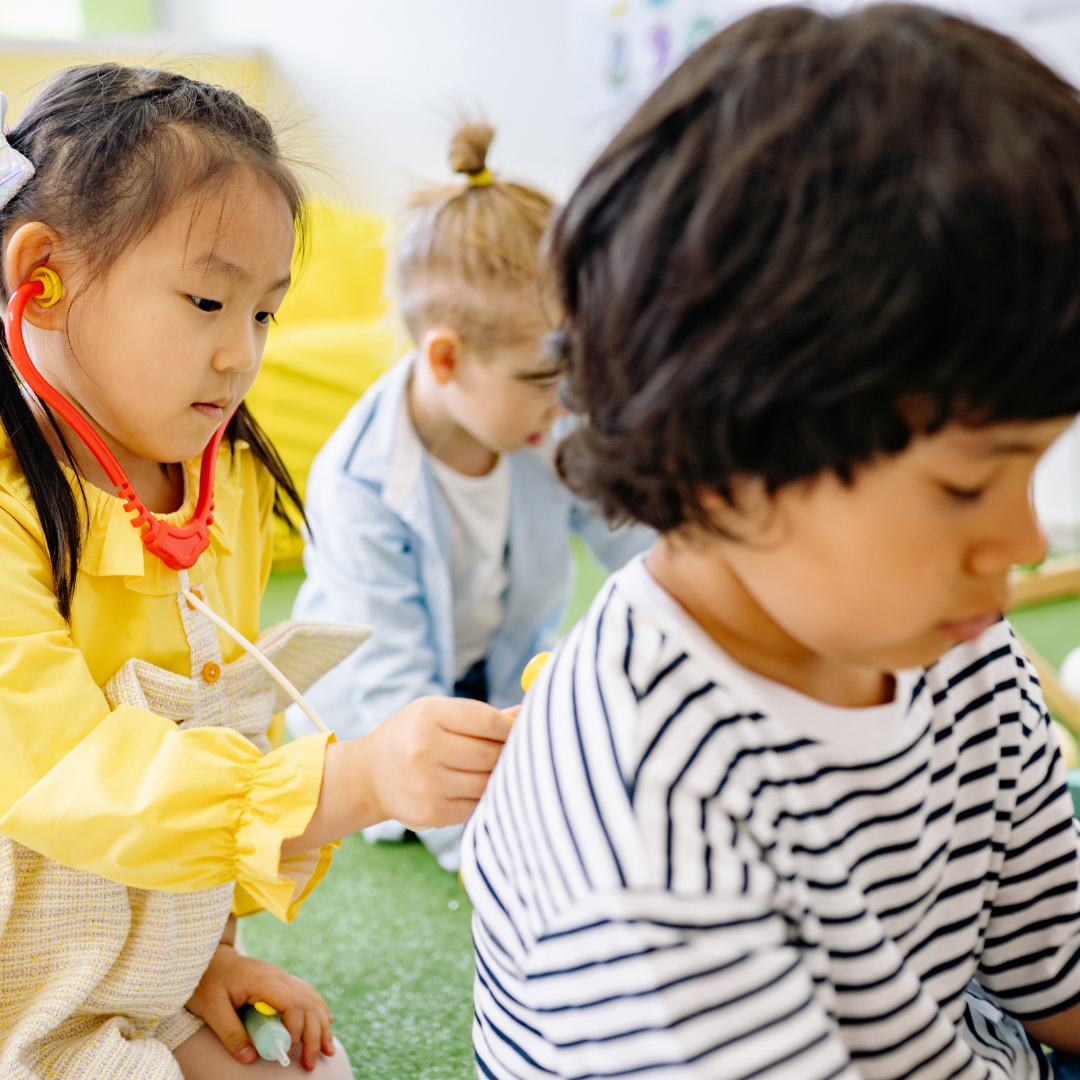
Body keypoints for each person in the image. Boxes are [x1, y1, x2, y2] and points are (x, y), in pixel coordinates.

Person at [461, 7, 1080, 1078]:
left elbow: (1054, 965)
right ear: (724, 446)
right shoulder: (649, 810)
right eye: (970, 484)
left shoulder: (954, 645)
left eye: (1037, 467)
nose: (1021, 541)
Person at [0, 65, 512, 1080]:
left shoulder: (220, 471)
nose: (242, 354)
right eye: (206, 301)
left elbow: (219, 715)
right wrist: (354, 781)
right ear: (42, 278)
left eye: (266, 313)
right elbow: (68, 773)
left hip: (111, 950)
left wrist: (204, 961)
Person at [293, 123, 652, 871]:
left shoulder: (543, 425)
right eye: (542, 381)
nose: (566, 406)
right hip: (377, 715)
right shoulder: (359, 483)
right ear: (447, 359)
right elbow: (395, 693)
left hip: (489, 674)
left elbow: (638, 532)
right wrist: (482, 840)